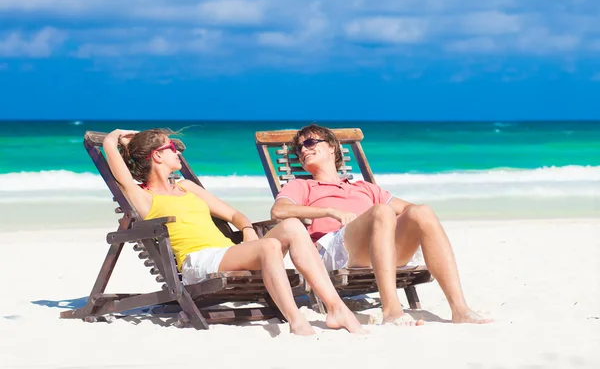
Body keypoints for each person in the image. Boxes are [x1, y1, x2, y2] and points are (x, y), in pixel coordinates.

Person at [103, 128, 365, 336]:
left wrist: (248, 230)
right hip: (199, 262)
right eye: (171, 147)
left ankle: (335, 308)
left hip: (229, 253)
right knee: (270, 246)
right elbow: (118, 167)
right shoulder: (144, 197)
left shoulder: (187, 188)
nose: (178, 152)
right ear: (157, 156)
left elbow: (234, 215)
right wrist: (113, 138)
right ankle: (296, 320)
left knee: (293, 226)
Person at [270, 124, 492, 326]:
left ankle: (460, 309)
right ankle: (392, 310)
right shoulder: (302, 185)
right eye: (299, 149)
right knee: (381, 211)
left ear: (332, 148)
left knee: (422, 211)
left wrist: (396, 227)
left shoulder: (364, 187)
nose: (303, 150)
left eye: (310, 143)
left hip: (382, 248)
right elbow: (279, 211)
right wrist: (329, 211)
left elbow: (408, 210)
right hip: (335, 251)